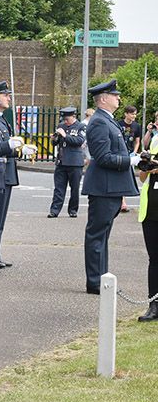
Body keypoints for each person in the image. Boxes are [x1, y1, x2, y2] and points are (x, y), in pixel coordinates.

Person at [83, 80, 140, 295]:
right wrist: (129, 162)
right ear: (104, 99)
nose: (119, 98)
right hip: (103, 188)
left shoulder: (108, 120)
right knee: (97, 236)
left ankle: (102, 278)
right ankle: (96, 282)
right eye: (115, 95)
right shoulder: (99, 122)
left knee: (102, 236)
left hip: (110, 188)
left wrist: (134, 158)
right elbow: (103, 156)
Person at [0, 82, 32, 269]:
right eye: (6, 95)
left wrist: (21, 151)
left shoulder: (1, 118)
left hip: (7, 172)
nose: (9, 98)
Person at [49, 107, 86, 218]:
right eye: (63, 119)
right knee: (59, 188)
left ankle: (73, 210)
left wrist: (65, 136)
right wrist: (54, 138)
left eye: (67, 119)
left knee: (74, 188)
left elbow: (79, 141)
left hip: (74, 162)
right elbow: (55, 143)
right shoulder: (61, 126)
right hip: (61, 161)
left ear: (73, 116)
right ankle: (54, 210)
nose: (65, 121)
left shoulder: (81, 127)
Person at [136, 134, 158, 322]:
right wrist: (146, 167)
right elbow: (143, 178)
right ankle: (154, 305)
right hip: (150, 211)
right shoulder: (155, 141)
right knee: (155, 260)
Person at [119, 105, 142, 213]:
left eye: (135, 114)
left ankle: (123, 200)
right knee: (121, 175)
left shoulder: (137, 126)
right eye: (132, 113)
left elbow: (137, 141)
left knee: (128, 176)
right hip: (120, 154)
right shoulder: (119, 124)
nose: (134, 116)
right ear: (126, 114)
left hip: (130, 154)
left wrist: (134, 152)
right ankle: (122, 202)